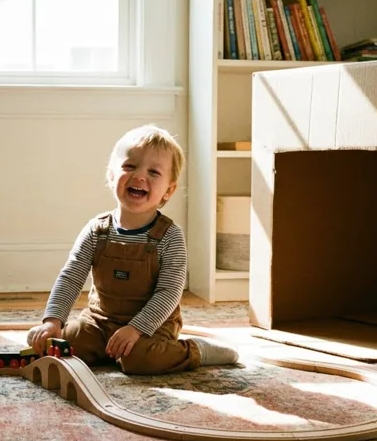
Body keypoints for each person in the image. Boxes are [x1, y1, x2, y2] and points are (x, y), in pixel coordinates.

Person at [26, 124, 239, 375]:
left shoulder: (170, 237)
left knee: (140, 360)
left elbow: (169, 294)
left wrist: (136, 329)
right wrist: (53, 321)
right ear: (111, 176)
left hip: (152, 326)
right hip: (99, 321)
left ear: (168, 191)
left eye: (153, 172)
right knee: (63, 345)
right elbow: (71, 277)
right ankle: (107, 347)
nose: (139, 176)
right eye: (130, 167)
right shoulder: (96, 230)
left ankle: (194, 351)